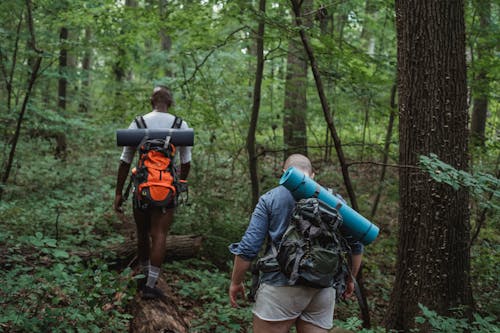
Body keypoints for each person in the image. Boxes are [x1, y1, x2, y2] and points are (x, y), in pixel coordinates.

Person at [228, 154, 363, 333]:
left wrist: (236, 282)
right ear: (313, 175)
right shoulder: (335, 201)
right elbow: (356, 245)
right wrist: (350, 279)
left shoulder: (270, 199)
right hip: (323, 288)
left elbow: (248, 248)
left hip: (280, 285)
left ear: (284, 173)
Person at [114, 86, 192, 299]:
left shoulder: (138, 123)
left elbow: (125, 160)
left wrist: (118, 193)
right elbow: (186, 162)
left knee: (142, 233)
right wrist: (181, 182)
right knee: (159, 234)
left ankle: (142, 277)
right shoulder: (180, 125)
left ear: (152, 101)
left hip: (142, 187)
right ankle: (151, 285)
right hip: (167, 188)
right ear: (170, 102)